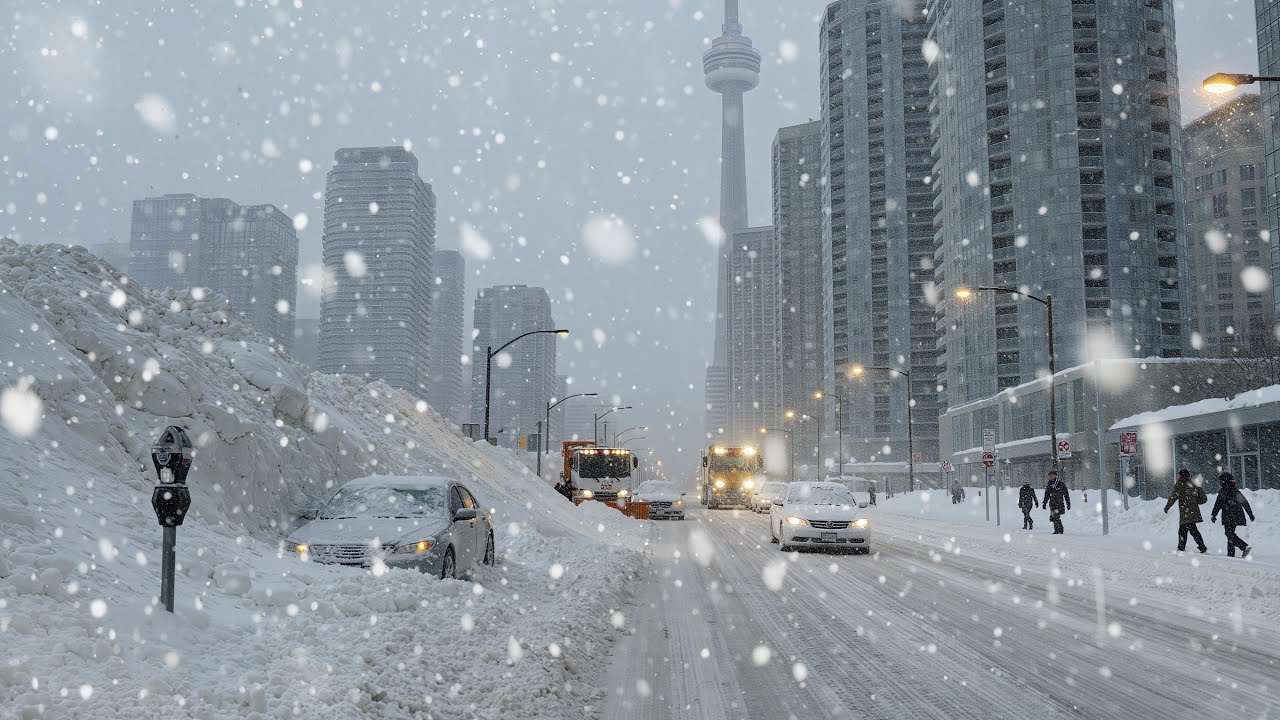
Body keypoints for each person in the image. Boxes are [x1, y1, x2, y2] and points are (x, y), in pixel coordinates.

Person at [1210, 472, 1255, 558]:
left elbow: (1218, 504)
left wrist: (1214, 515)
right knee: (1231, 534)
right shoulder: (1236, 490)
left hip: (1228, 515)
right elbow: (1245, 503)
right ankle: (1231, 555)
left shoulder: (1223, 491)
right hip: (1237, 515)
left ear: (1224, 481)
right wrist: (1250, 514)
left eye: (1221, 481)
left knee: (1228, 533)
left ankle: (1243, 546)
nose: (1220, 483)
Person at [1163, 468, 1207, 553]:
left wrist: (1167, 507)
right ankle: (1198, 546)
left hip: (1185, 511)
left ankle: (1184, 547)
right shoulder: (1193, 484)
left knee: (1186, 530)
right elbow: (1203, 499)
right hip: (1193, 511)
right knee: (1190, 529)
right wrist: (1194, 502)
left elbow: (1173, 497)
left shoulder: (1180, 484)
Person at [1042, 470, 1070, 534]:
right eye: (1049, 476)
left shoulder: (1060, 484)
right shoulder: (1049, 484)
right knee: (1053, 517)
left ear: (1055, 476)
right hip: (1052, 504)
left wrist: (1068, 503)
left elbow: (1066, 494)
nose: (1050, 477)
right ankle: (1057, 529)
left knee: (1056, 516)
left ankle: (1059, 530)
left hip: (1059, 503)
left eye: (1051, 475)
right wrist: (1044, 503)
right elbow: (1047, 495)